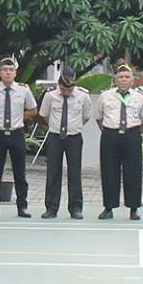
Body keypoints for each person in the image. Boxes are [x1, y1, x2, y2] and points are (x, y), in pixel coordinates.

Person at [0, 57, 34, 219]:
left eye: (11, 70)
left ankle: (22, 205)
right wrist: (1, 120)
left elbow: (33, 109)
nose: (8, 73)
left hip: (17, 133)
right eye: (5, 70)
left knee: (20, 173)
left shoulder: (23, 90)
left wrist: (17, 118)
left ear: (15, 73)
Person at [96, 64, 143, 220]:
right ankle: (108, 207)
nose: (124, 80)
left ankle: (133, 208)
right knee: (109, 171)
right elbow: (99, 118)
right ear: (115, 80)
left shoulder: (139, 98)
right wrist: (109, 131)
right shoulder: (105, 96)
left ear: (132, 81)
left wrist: (132, 133)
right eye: (121, 77)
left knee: (133, 172)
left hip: (131, 135)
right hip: (110, 136)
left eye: (127, 77)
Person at [37, 71, 89, 219]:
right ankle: (51, 207)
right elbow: (44, 115)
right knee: (53, 172)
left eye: (69, 89)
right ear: (59, 85)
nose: (66, 92)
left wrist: (73, 126)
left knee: (75, 173)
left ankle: (76, 208)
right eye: (64, 89)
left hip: (74, 137)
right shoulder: (50, 95)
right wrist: (56, 126)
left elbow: (85, 116)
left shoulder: (83, 96)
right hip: (55, 136)